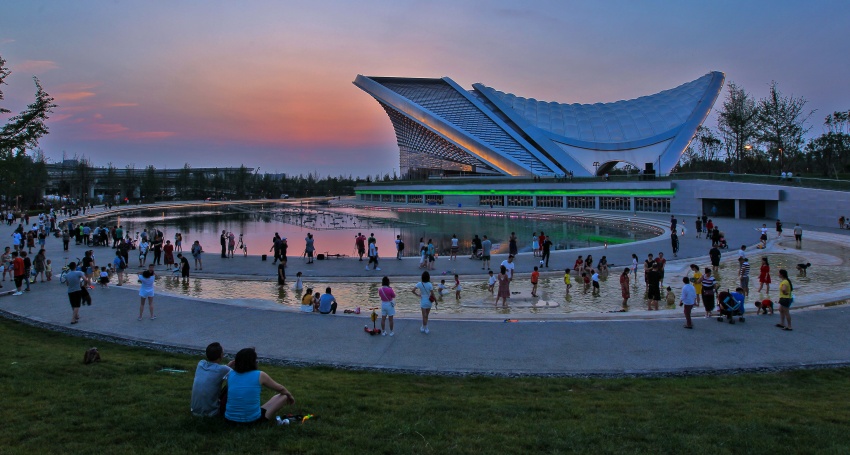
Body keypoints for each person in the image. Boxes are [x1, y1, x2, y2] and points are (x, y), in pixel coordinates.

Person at [224, 347, 295, 424]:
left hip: (230, 419)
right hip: (252, 420)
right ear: (253, 362)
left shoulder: (230, 374)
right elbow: (280, 389)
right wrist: (290, 396)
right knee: (283, 396)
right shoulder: (260, 375)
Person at [191, 342, 235, 417]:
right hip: (211, 413)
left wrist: (228, 366)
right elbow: (237, 377)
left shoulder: (201, 364)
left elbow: (216, 370)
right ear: (221, 355)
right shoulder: (223, 369)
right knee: (230, 387)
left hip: (194, 410)